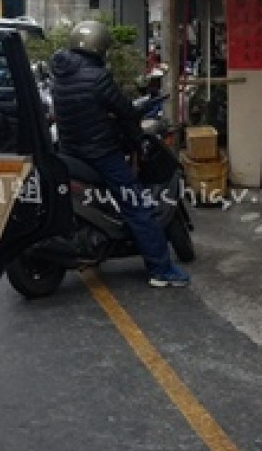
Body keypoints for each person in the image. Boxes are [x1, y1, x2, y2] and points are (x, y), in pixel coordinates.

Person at [49, 20, 190, 288]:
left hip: (71, 151)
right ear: (99, 47)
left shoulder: (60, 73)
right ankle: (161, 270)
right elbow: (124, 109)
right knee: (138, 205)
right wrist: (134, 123)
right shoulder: (98, 76)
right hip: (100, 153)